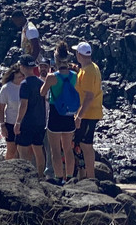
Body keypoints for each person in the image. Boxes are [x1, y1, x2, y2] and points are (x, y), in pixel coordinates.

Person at [40, 43, 79, 183]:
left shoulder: (52, 77)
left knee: (55, 149)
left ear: (56, 58)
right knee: (68, 148)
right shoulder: (75, 75)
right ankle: (69, 177)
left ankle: (58, 178)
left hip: (55, 113)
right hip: (69, 114)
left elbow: (42, 92)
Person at [74, 41, 103, 180]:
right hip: (90, 112)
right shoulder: (91, 67)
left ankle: (90, 177)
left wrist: (79, 116)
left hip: (88, 113)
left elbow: (89, 96)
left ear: (79, 54)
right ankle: (85, 175)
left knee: (86, 145)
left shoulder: (88, 71)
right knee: (82, 144)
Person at [14, 55, 46, 176]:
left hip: (27, 122)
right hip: (40, 121)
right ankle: (41, 176)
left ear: (22, 67)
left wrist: (17, 122)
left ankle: (26, 176)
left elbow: (23, 104)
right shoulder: (41, 82)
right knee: (38, 150)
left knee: (23, 151)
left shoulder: (24, 84)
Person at [0, 63, 24, 160]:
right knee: (11, 151)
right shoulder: (6, 88)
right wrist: (2, 125)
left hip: (24, 123)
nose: (21, 78)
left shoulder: (25, 86)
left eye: (22, 76)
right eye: (18, 77)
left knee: (23, 151)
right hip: (10, 123)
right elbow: (1, 108)